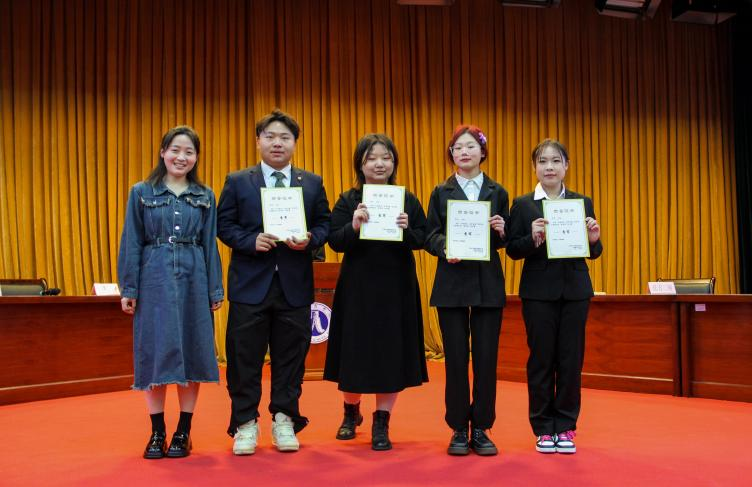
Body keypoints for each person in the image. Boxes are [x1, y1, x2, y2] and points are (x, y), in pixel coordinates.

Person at [217, 109, 331, 455]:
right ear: (258, 141)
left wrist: (311, 239)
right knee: (243, 359)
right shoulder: (238, 181)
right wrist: (250, 241)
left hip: (294, 286)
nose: (277, 143)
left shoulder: (311, 183)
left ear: (295, 143)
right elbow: (224, 225)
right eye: (270, 136)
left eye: (284, 137)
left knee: (290, 358)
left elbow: (325, 223)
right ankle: (245, 424)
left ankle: (285, 419)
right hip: (250, 284)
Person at [118, 125, 224, 459]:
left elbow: (210, 245)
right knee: (155, 353)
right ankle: (157, 432)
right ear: (163, 151)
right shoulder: (141, 192)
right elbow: (131, 241)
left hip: (195, 279)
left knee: (191, 352)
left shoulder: (205, 195)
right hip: (154, 279)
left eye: (189, 152)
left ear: (196, 158)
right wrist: (129, 287)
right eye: (175, 150)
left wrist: (214, 289)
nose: (181, 157)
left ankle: (183, 431)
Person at [324, 133, 428, 451]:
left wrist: (407, 228)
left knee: (390, 352)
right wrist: (353, 225)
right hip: (358, 286)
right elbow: (334, 241)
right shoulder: (348, 199)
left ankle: (382, 421)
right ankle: (350, 411)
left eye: (386, 157)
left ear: (394, 162)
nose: (379, 163)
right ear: (361, 164)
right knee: (354, 350)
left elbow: (423, 239)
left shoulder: (407, 199)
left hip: (397, 285)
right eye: (372, 158)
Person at [506, 138, 602, 454]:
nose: (549, 167)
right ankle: (544, 427)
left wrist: (594, 238)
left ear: (566, 166)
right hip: (538, 293)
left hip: (575, 291)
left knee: (571, 360)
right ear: (534, 167)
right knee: (542, 359)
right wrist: (532, 238)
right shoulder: (523, 205)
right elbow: (512, 251)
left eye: (556, 161)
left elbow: (593, 252)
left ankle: (566, 426)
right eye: (543, 161)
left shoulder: (581, 202)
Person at [424, 125, 509, 456]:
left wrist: (502, 231)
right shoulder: (440, 191)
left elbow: (507, 240)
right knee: (455, 359)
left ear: (482, 152)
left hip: (487, 284)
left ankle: (483, 427)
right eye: (457, 147)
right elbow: (429, 235)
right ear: (452, 154)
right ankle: (459, 427)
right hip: (452, 284)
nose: (463, 152)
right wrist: (446, 245)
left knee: (487, 359)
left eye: (471, 146)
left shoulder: (497, 191)